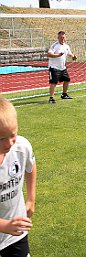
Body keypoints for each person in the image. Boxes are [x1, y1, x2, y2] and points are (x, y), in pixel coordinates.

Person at [0, 98, 37, 257]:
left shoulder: (21, 147)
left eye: (13, 134)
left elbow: (30, 166)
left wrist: (31, 199)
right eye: (1, 138)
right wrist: (4, 225)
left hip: (14, 234)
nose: (9, 143)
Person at [47, 31, 77, 104]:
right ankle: (51, 98)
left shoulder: (66, 46)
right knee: (54, 82)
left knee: (67, 80)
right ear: (58, 38)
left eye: (63, 37)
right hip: (54, 67)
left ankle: (64, 94)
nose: (62, 39)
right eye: (61, 37)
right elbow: (49, 54)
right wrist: (58, 55)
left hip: (62, 67)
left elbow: (70, 54)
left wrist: (73, 56)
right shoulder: (55, 45)